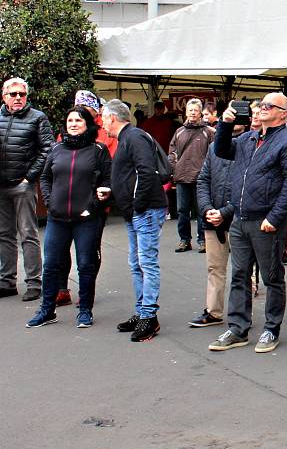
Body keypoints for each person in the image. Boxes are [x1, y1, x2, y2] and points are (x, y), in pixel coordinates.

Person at [208, 93, 287, 354]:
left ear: (285, 113)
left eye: (269, 106)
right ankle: (238, 328)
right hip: (240, 218)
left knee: (271, 277)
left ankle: (271, 328)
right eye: (261, 105)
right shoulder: (249, 138)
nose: (262, 108)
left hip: (266, 221)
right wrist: (225, 124)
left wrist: (274, 217)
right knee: (239, 275)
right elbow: (221, 150)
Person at [26, 107, 112, 328]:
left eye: (78, 120)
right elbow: (45, 178)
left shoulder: (98, 150)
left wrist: (92, 205)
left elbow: (108, 181)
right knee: (52, 265)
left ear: (87, 124)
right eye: (70, 120)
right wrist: (50, 201)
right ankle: (47, 310)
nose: (73, 124)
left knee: (86, 264)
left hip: (87, 219)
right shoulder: (56, 149)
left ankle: (85, 311)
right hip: (58, 218)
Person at [103, 99, 169, 342]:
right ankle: (143, 311)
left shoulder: (134, 137)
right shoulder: (128, 138)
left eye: (103, 118)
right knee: (137, 263)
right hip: (138, 210)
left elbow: (145, 171)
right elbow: (133, 174)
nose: (102, 123)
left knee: (145, 263)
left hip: (145, 210)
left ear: (111, 117)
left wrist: (137, 205)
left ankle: (148, 316)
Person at [0, 77, 54, 301]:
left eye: (21, 94)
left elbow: (47, 149)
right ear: (4, 96)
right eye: (13, 94)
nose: (18, 98)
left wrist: (29, 177)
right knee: (4, 235)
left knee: (28, 234)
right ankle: (6, 282)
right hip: (1, 186)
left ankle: (34, 282)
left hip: (23, 186)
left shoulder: (37, 118)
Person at [188, 122, 244, 328]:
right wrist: (206, 209)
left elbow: (248, 187)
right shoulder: (213, 149)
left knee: (242, 271)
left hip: (238, 219)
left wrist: (225, 211)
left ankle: (241, 314)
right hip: (213, 219)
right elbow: (203, 179)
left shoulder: (247, 148)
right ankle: (213, 312)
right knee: (215, 268)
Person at [169, 98, 215, 253]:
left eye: (196, 110)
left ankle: (203, 240)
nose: (193, 113)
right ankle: (184, 240)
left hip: (201, 178)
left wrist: (207, 171)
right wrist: (175, 167)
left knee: (202, 210)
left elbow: (214, 154)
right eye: (190, 110)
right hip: (182, 176)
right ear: (186, 112)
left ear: (200, 112)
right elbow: (172, 151)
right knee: (182, 210)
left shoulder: (208, 132)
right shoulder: (179, 132)